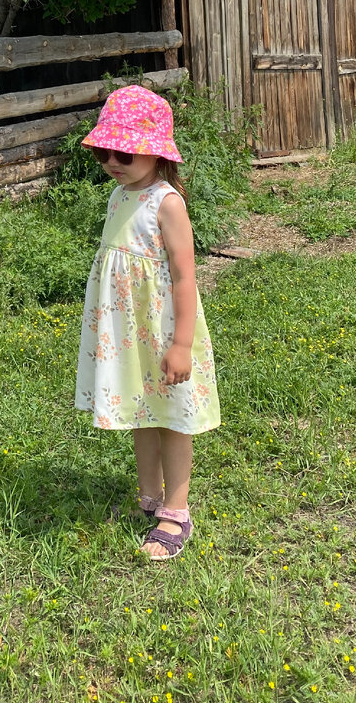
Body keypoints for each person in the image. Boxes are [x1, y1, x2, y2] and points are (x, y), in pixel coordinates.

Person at [75, 84, 220, 561]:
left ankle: (176, 510)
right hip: (128, 334)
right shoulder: (120, 195)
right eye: (104, 153)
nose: (113, 162)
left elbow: (183, 276)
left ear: (157, 154)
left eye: (125, 152)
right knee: (141, 406)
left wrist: (181, 344)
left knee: (172, 416)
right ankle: (149, 496)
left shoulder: (167, 202)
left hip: (161, 330)